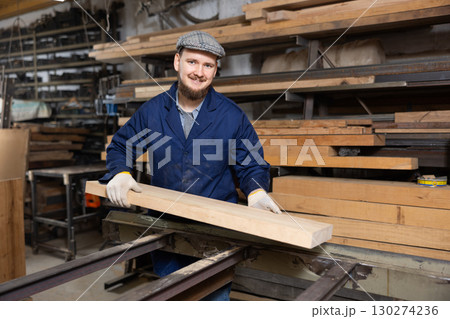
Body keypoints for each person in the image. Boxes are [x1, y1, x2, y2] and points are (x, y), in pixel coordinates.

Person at [100, 31, 281, 300]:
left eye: (208, 65)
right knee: (173, 298)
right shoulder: (153, 112)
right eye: (192, 62)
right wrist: (121, 172)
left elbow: (252, 163)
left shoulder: (231, 115)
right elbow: (122, 146)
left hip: (216, 231)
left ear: (215, 71)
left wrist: (256, 192)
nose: (199, 72)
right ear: (177, 62)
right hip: (165, 227)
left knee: (212, 299)